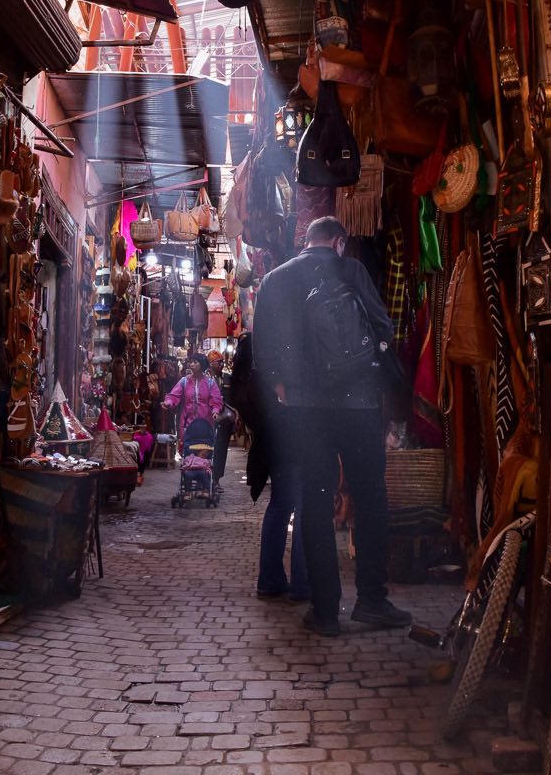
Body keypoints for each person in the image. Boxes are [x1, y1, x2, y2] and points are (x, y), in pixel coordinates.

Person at [252, 215, 412, 637]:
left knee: (316, 502)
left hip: (305, 410)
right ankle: (372, 601)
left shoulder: (276, 280)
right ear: (339, 242)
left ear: (306, 242)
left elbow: (262, 349)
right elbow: (383, 327)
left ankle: (325, 610)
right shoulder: (353, 270)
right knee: (371, 498)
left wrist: (283, 390)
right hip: (358, 406)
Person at [161, 354, 223, 444]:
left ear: (202, 364)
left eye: (195, 362)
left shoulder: (210, 383)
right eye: (191, 362)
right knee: (188, 452)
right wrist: (168, 402)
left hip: (205, 423)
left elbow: (216, 399)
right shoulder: (184, 381)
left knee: (204, 452)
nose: (191, 365)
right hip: (187, 423)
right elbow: (174, 395)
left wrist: (215, 411)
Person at [206, 349, 234, 492]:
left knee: (221, 450)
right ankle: (203, 477)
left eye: (223, 362)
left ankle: (216, 480)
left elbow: (234, 398)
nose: (222, 364)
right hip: (207, 419)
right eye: (219, 362)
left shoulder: (228, 378)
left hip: (225, 421)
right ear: (211, 364)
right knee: (205, 449)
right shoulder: (204, 379)